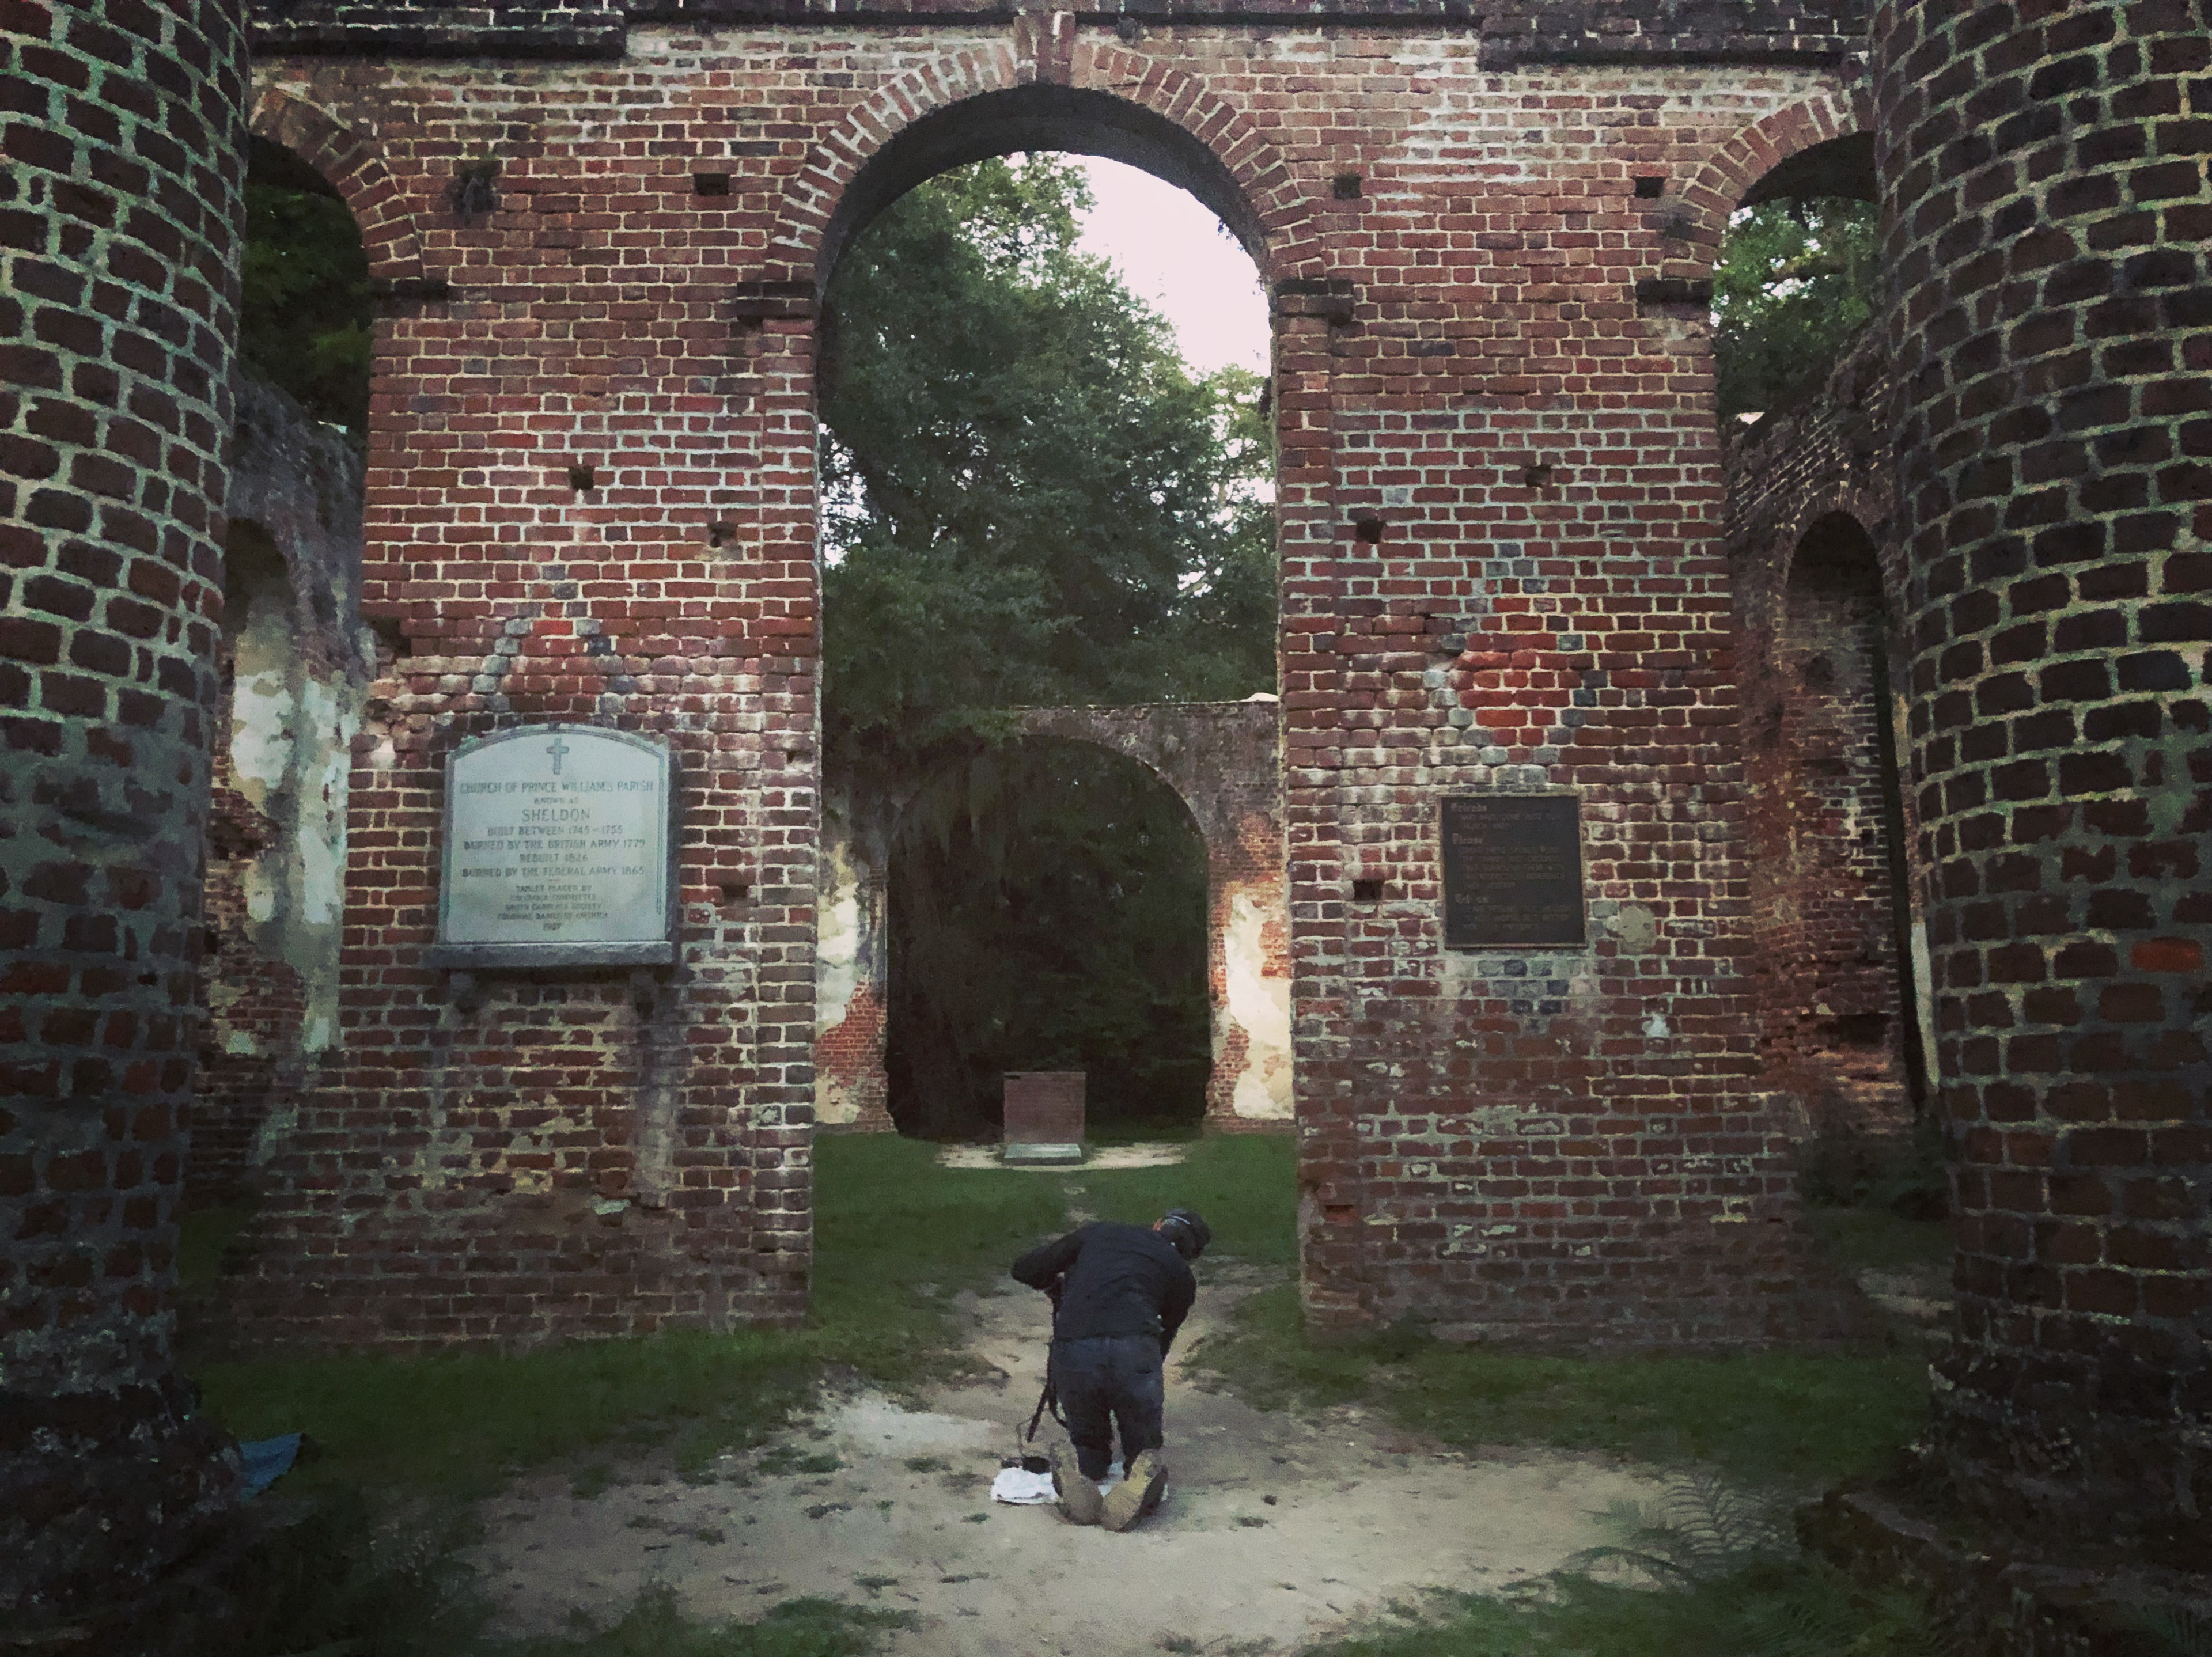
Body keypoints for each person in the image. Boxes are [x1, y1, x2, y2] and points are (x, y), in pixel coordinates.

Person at [1010, 1207, 1211, 1530]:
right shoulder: (1181, 1276)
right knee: (1143, 1444)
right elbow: (1164, 1338)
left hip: (1076, 1344)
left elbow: (1025, 1268)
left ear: (1157, 1224)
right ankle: (1141, 1473)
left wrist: (1055, 1288)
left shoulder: (1100, 1233)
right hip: (1136, 1347)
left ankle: (1085, 1470)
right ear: (1189, 1254)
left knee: (1088, 1440)